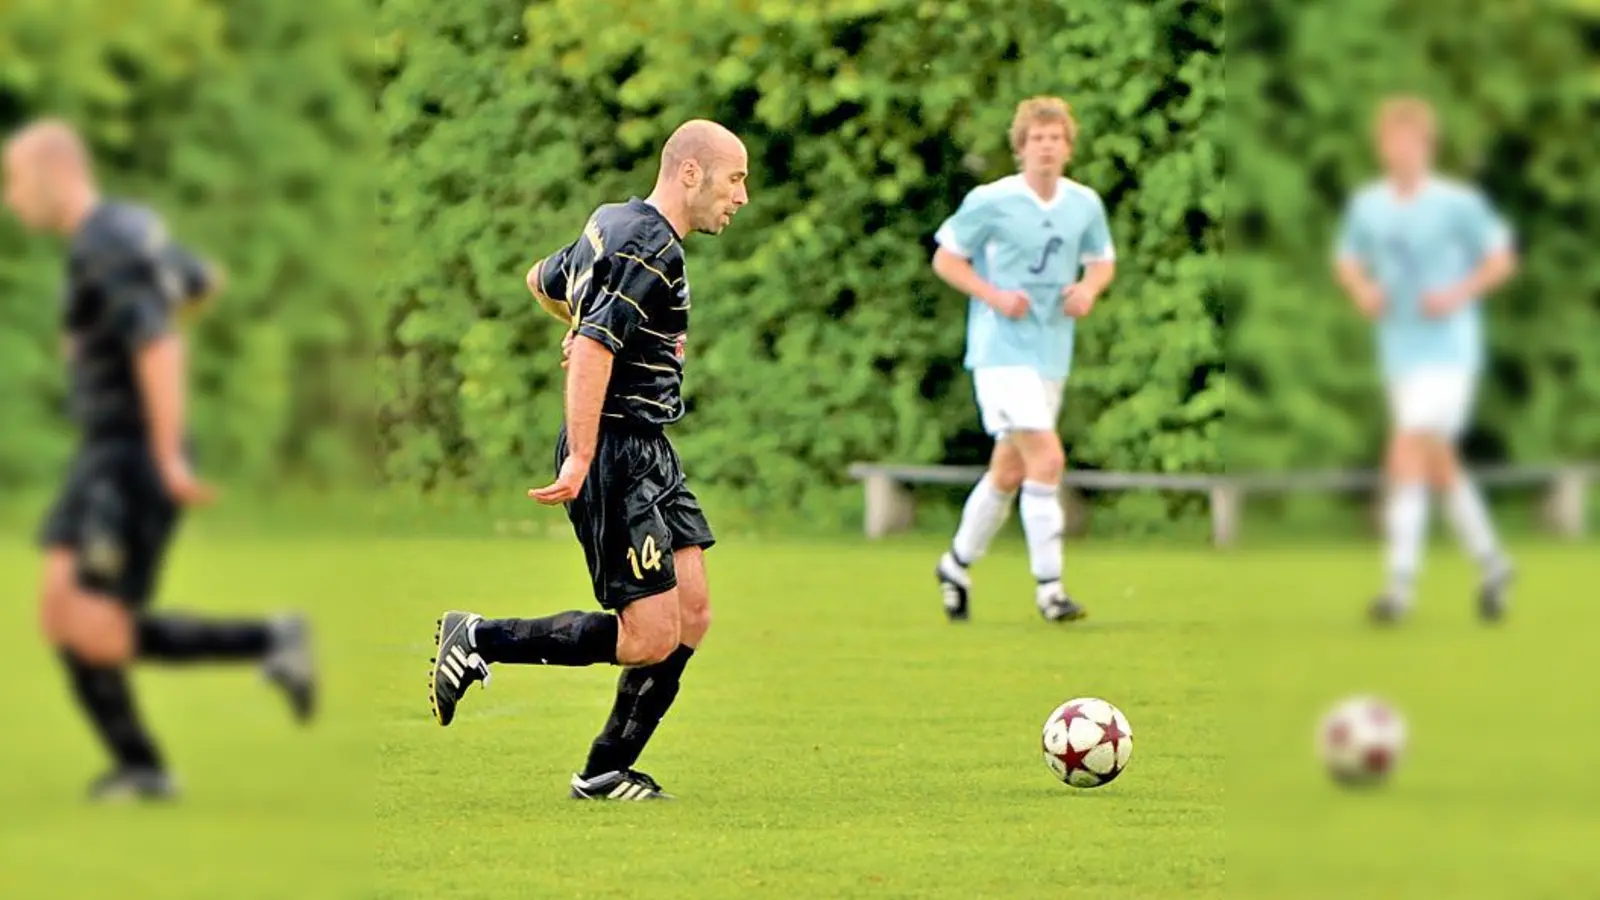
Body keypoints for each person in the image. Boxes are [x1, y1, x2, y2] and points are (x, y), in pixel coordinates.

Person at [427, 119, 748, 801]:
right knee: (648, 635)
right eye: (735, 178)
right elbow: (596, 347)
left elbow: (541, 281)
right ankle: (479, 637)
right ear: (690, 172)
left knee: (691, 613)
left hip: (651, 447)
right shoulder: (650, 245)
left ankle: (604, 771)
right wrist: (580, 455)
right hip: (616, 448)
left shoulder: (613, 221)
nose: (742, 196)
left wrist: (579, 328)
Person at [4, 118, 317, 802]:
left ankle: (259, 650)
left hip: (128, 452)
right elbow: (200, 280)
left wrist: (167, 451)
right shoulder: (125, 229)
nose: (11, 198)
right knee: (62, 612)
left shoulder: (104, 242)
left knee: (95, 625)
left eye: (14, 180)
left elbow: (158, 345)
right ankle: (145, 759)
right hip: (103, 450)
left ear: (55, 174)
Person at [930, 96, 1116, 623]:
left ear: (1068, 146)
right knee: (1048, 459)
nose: (1047, 147)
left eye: (1056, 138)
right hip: (1000, 351)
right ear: (1021, 146)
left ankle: (955, 564)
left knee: (1010, 469)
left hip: (1050, 351)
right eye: (1037, 138)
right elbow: (946, 258)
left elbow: (1102, 262)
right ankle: (1050, 589)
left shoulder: (1083, 204)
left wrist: (1089, 290)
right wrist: (993, 296)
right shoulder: (992, 200)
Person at [1333, 96, 1518, 624]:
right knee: (1437, 463)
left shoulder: (1457, 203)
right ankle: (1492, 561)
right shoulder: (1369, 204)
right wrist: (1362, 290)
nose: (1401, 150)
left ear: (1426, 146)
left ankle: (1399, 587)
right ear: (1383, 146)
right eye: (1393, 141)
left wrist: (1458, 293)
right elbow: (1348, 259)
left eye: (1411, 141)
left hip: (1451, 351)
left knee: (1406, 450)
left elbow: (1501, 259)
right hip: (1400, 351)